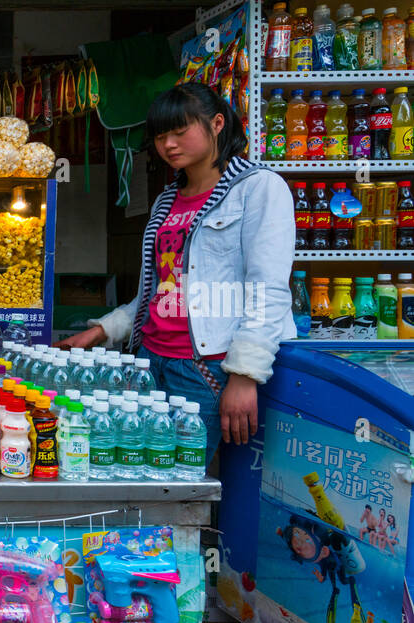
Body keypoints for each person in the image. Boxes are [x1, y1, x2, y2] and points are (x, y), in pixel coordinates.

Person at [57, 82, 296, 464]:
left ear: (217, 124)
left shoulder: (257, 189)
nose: (168, 144)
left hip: (207, 368)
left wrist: (245, 374)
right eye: (160, 136)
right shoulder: (168, 200)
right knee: (140, 471)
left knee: (181, 483)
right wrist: (103, 329)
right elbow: (158, 289)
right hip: (151, 360)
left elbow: (267, 291)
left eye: (180, 131)